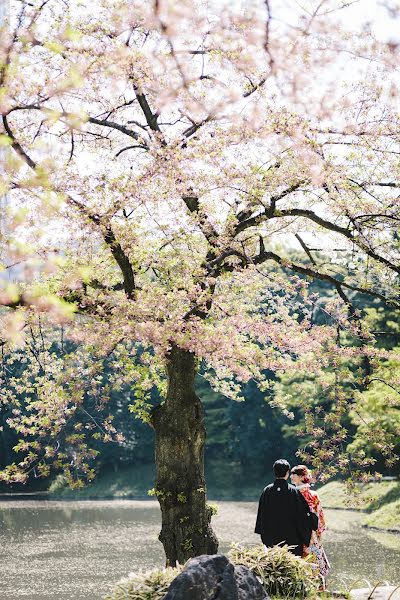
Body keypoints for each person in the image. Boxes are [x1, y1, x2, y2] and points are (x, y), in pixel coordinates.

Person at [255, 459, 314, 556]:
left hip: (271, 540)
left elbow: (261, 515)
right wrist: (305, 536)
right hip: (291, 541)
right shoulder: (294, 491)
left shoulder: (267, 490)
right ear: (287, 472)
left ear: (274, 472)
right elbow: (302, 516)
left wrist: (264, 535)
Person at [290, 464, 330, 588]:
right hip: (313, 534)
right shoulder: (314, 494)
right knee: (314, 558)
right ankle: (318, 587)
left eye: (294, 474)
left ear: (302, 477)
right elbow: (320, 516)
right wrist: (319, 533)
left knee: (301, 559)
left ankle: (303, 588)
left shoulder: (292, 494)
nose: (291, 476)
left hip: (297, 534)